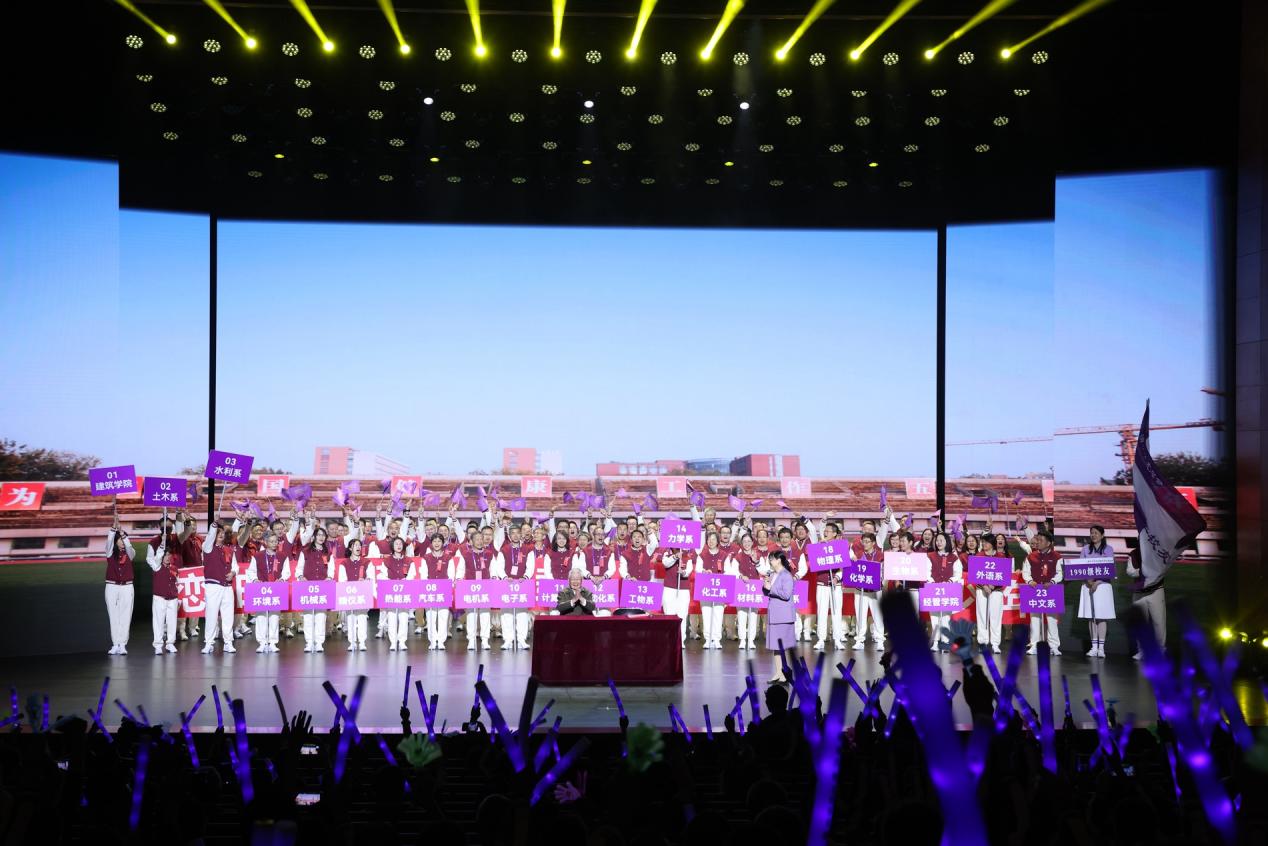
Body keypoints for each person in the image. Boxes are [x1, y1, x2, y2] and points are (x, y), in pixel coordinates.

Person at [1021, 529, 1063, 655]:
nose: (1038, 542)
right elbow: (1025, 572)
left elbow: (1060, 573)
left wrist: (1053, 582)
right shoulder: (1031, 556)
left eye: (1041, 540)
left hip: (1051, 590)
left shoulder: (1057, 557)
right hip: (1034, 590)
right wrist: (1029, 581)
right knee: (1034, 619)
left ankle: (1054, 646)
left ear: (1049, 543)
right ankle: (1034, 645)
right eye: (1037, 539)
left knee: (1052, 619)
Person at [200, 521, 239, 654]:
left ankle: (228, 642)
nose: (221, 535)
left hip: (227, 587)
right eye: (218, 533)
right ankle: (209, 643)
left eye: (222, 533)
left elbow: (235, 566)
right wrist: (214, 525)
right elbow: (210, 536)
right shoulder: (207, 547)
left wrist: (233, 573)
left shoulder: (229, 549)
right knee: (211, 615)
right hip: (213, 586)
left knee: (228, 616)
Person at [245, 530, 287, 654]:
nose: (274, 544)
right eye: (271, 541)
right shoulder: (257, 556)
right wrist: (255, 580)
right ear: (265, 542)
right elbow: (251, 571)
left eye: (276, 541)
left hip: (276, 588)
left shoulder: (282, 556)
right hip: (261, 589)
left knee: (274, 616)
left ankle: (273, 642)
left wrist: (282, 579)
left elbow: (286, 571)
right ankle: (262, 642)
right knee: (261, 616)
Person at [1077, 525, 1116, 658]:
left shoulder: (1108, 549)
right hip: (1088, 585)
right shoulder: (1085, 549)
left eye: (1096, 533)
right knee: (1091, 617)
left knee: (1101, 617)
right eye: (1091, 533)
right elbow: (1080, 567)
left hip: (1103, 586)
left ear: (1102, 535)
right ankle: (1093, 647)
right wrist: (1088, 581)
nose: (1093, 535)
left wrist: (1098, 582)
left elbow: (1110, 569)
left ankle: (1101, 648)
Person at [295, 526, 334, 653]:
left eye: (323, 535)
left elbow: (331, 569)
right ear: (314, 537)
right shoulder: (305, 551)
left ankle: (319, 642)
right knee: (308, 616)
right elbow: (299, 568)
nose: (321, 537)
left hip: (323, 588)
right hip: (307, 587)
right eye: (319, 535)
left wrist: (329, 577)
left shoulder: (328, 553)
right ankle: (309, 642)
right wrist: (300, 577)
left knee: (321, 616)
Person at [1125, 542, 1166, 659]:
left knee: (1159, 622)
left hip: (1156, 590)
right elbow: (1129, 571)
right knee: (1140, 622)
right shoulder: (1133, 553)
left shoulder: (1157, 551)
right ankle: (1142, 650)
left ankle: (1161, 649)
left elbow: (1162, 569)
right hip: (1139, 591)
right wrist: (1142, 571)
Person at [762, 550, 797, 683]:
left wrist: (771, 588)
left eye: (771, 559)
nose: (770, 561)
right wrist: (765, 586)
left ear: (779, 560)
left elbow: (786, 594)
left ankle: (785, 673)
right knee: (775, 646)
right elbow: (768, 591)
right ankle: (778, 672)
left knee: (783, 647)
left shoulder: (786, 575)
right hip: (774, 614)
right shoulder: (772, 574)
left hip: (783, 616)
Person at [104, 512, 136, 655]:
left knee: (125, 615)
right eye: (120, 540)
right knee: (114, 615)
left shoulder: (130, 553)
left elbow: (129, 547)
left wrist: (122, 532)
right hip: (112, 586)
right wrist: (114, 527)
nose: (122, 541)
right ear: (116, 541)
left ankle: (122, 644)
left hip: (127, 586)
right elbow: (109, 542)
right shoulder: (110, 553)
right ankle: (115, 644)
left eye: (124, 539)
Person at [925, 532, 962, 651]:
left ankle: (945, 642)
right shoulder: (930, 556)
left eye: (941, 540)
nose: (938, 542)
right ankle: (935, 642)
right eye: (937, 540)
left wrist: (950, 581)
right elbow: (926, 571)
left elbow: (958, 573)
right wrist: (932, 582)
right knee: (934, 616)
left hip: (948, 589)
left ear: (947, 542)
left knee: (946, 616)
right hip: (933, 589)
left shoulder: (954, 557)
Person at [378, 536, 416, 652]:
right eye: (396, 544)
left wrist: (406, 580)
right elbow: (382, 575)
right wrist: (390, 581)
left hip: (405, 593)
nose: (398, 546)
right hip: (391, 593)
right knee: (392, 617)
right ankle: (393, 642)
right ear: (392, 546)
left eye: (400, 544)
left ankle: (402, 641)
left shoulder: (409, 561)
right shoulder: (387, 561)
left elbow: (412, 575)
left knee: (403, 617)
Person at [337, 537, 374, 652]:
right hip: (350, 595)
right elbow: (342, 580)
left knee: (362, 617)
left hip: (362, 594)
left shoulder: (367, 562)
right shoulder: (344, 563)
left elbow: (371, 576)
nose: (358, 547)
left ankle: (362, 642)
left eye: (359, 545)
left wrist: (366, 580)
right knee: (351, 618)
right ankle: (352, 642)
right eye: (355, 545)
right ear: (350, 548)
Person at [420, 532, 455, 650]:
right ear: (431, 543)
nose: (436, 543)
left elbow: (451, 576)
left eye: (439, 541)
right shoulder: (426, 557)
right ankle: (432, 640)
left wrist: (448, 587)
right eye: (434, 541)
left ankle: (441, 641)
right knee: (430, 617)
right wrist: (427, 587)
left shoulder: (448, 558)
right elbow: (423, 575)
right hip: (430, 591)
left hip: (444, 591)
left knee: (443, 617)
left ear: (443, 543)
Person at [971, 534, 1005, 654]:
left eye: (986, 542)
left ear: (992, 543)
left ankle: (995, 643)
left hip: (996, 591)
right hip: (982, 590)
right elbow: (974, 574)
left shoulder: (1001, 557)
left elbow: (1004, 575)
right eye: (983, 542)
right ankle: (983, 642)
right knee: (982, 616)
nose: (984, 544)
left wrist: (994, 585)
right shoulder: (978, 556)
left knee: (995, 617)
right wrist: (984, 585)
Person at [852, 532, 885, 651]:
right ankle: (860, 640)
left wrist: (881, 581)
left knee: (878, 616)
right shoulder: (858, 555)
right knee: (860, 615)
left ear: (873, 543)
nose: (865, 544)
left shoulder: (881, 555)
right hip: (860, 590)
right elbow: (852, 571)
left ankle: (880, 640)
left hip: (875, 590)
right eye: (863, 542)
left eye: (867, 542)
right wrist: (853, 562)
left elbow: (884, 571)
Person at [147, 535, 181, 655]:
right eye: (165, 555)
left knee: (172, 622)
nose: (167, 557)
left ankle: (170, 643)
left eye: (168, 555)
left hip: (172, 599)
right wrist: (162, 543)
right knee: (158, 622)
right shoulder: (156, 566)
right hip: (159, 598)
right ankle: (158, 645)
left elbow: (178, 584)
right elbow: (156, 557)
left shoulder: (175, 569)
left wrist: (179, 599)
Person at [657, 543, 695, 645]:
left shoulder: (687, 556)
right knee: (669, 614)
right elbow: (666, 564)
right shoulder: (667, 553)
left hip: (683, 589)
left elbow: (688, 571)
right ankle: (670, 640)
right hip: (669, 588)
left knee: (682, 614)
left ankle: (680, 640)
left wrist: (683, 572)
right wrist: (675, 557)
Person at [697, 531, 729, 649]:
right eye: (709, 539)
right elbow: (698, 569)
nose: (711, 541)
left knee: (718, 614)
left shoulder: (724, 555)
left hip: (719, 589)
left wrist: (720, 576)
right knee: (706, 614)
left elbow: (728, 571)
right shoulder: (702, 555)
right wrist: (704, 572)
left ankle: (716, 639)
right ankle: (708, 639)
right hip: (705, 589)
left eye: (713, 539)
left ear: (718, 541)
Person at [732, 532, 764, 650]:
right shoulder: (738, 556)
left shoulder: (758, 555)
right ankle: (742, 640)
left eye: (749, 541)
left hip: (755, 589)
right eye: (744, 541)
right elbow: (733, 570)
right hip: (741, 588)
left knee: (753, 615)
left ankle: (751, 640)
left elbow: (764, 571)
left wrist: (756, 562)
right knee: (741, 614)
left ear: (752, 542)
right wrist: (741, 576)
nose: (747, 544)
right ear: (741, 543)